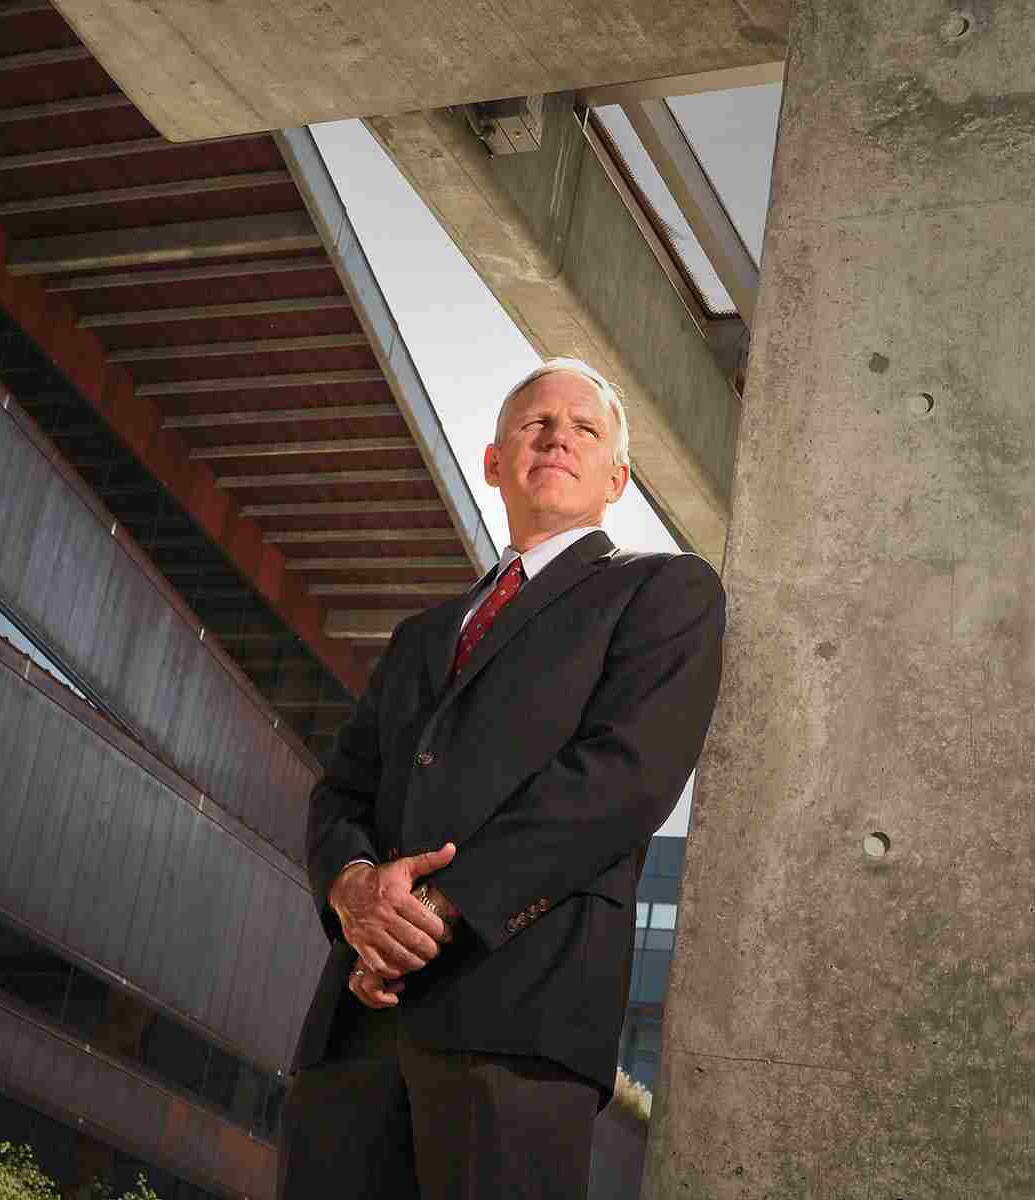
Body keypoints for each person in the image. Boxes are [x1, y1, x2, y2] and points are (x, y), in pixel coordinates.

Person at [281, 358, 726, 1200]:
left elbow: (624, 778)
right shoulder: (421, 633)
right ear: (495, 462)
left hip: (521, 1014)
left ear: (617, 477)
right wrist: (353, 892)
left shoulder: (666, 590)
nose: (558, 435)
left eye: (584, 429)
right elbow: (341, 792)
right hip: (354, 1030)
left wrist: (438, 911)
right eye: (534, 424)